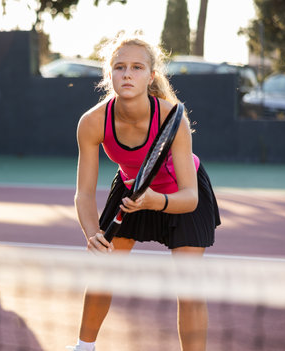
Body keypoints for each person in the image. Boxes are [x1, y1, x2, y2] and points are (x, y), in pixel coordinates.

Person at [69, 33, 221, 351]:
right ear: (109, 74)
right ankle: (84, 347)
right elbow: (84, 193)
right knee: (103, 269)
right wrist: (92, 233)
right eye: (119, 66)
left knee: (189, 286)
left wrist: (155, 201)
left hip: (179, 194)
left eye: (137, 67)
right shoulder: (92, 122)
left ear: (151, 76)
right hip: (129, 188)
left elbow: (190, 197)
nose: (127, 73)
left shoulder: (172, 118)